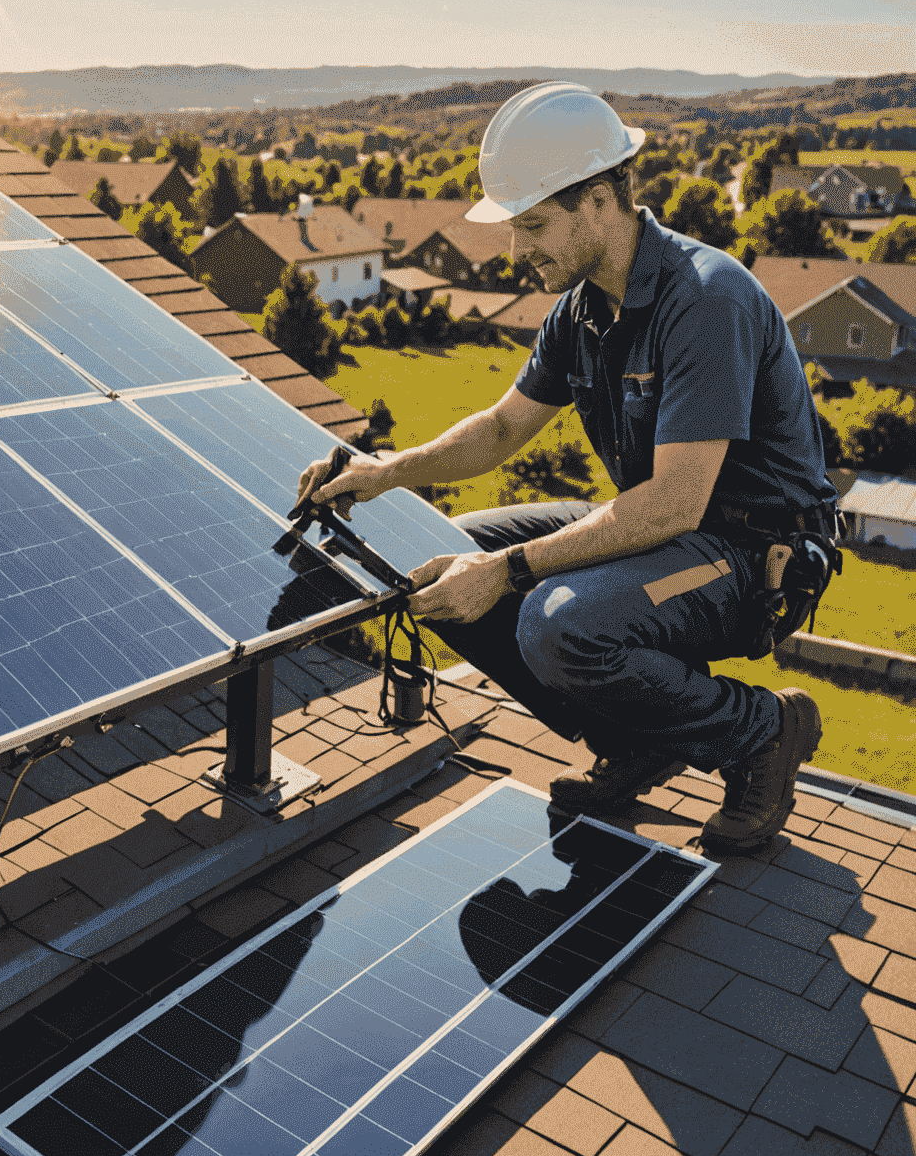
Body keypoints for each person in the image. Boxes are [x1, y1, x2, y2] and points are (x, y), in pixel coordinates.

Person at [297, 82, 838, 855]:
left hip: (751, 555)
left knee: (555, 622)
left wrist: (509, 570)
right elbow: (501, 428)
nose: (518, 252)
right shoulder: (582, 308)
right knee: (443, 556)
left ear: (596, 201)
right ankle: (640, 737)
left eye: (534, 225)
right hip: (669, 535)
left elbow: (676, 506)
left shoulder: (705, 300)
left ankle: (762, 731)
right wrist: (385, 472)